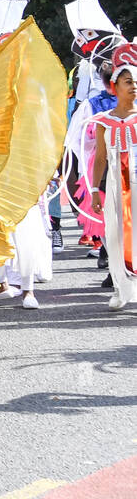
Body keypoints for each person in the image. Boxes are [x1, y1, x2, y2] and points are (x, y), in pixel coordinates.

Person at [89, 41, 137, 308]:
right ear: (115, 86)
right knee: (116, 235)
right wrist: (95, 190)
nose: (133, 86)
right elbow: (99, 158)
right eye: (128, 81)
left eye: (136, 81)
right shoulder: (104, 120)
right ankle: (121, 287)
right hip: (117, 187)